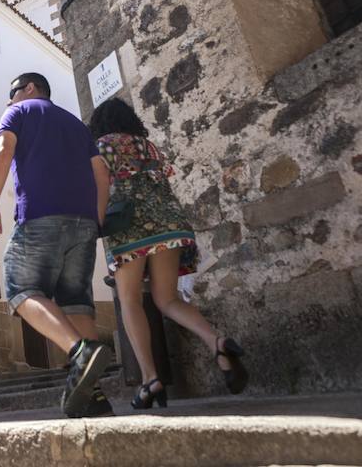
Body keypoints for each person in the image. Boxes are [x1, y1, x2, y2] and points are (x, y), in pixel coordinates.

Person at [89, 98, 248, 409]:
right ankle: (216, 342)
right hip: (171, 225)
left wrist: (96, 223)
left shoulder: (102, 146)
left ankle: (150, 379)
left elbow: (101, 186)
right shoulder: (149, 147)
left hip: (131, 228)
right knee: (168, 300)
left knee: (130, 300)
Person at [0, 72, 113, 418]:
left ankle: (79, 351)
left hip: (41, 216)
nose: (9, 99)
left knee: (21, 289)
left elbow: (3, 149)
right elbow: (102, 174)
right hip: (84, 224)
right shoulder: (76, 125)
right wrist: (96, 220)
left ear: (29, 88)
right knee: (76, 302)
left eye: (12, 91)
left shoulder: (18, 111)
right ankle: (94, 396)